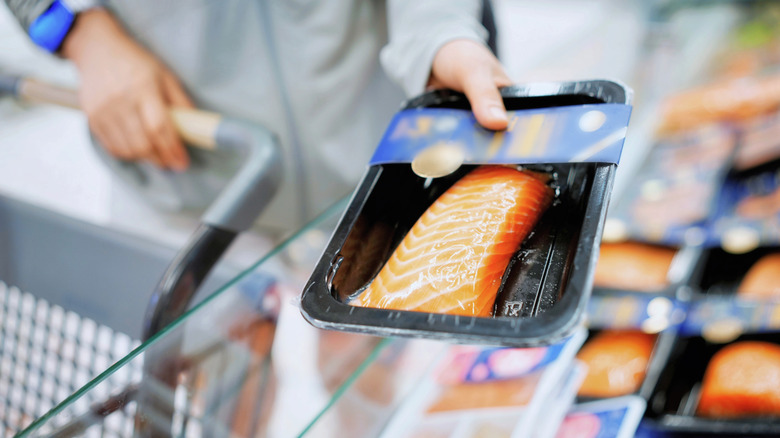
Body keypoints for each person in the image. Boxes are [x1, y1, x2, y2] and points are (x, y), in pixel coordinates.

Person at [5, 0, 512, 234]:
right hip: (186, 172)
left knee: (371, 383)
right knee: (208, 397)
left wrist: (441, 33)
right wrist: (75, 28)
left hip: (373, 158)